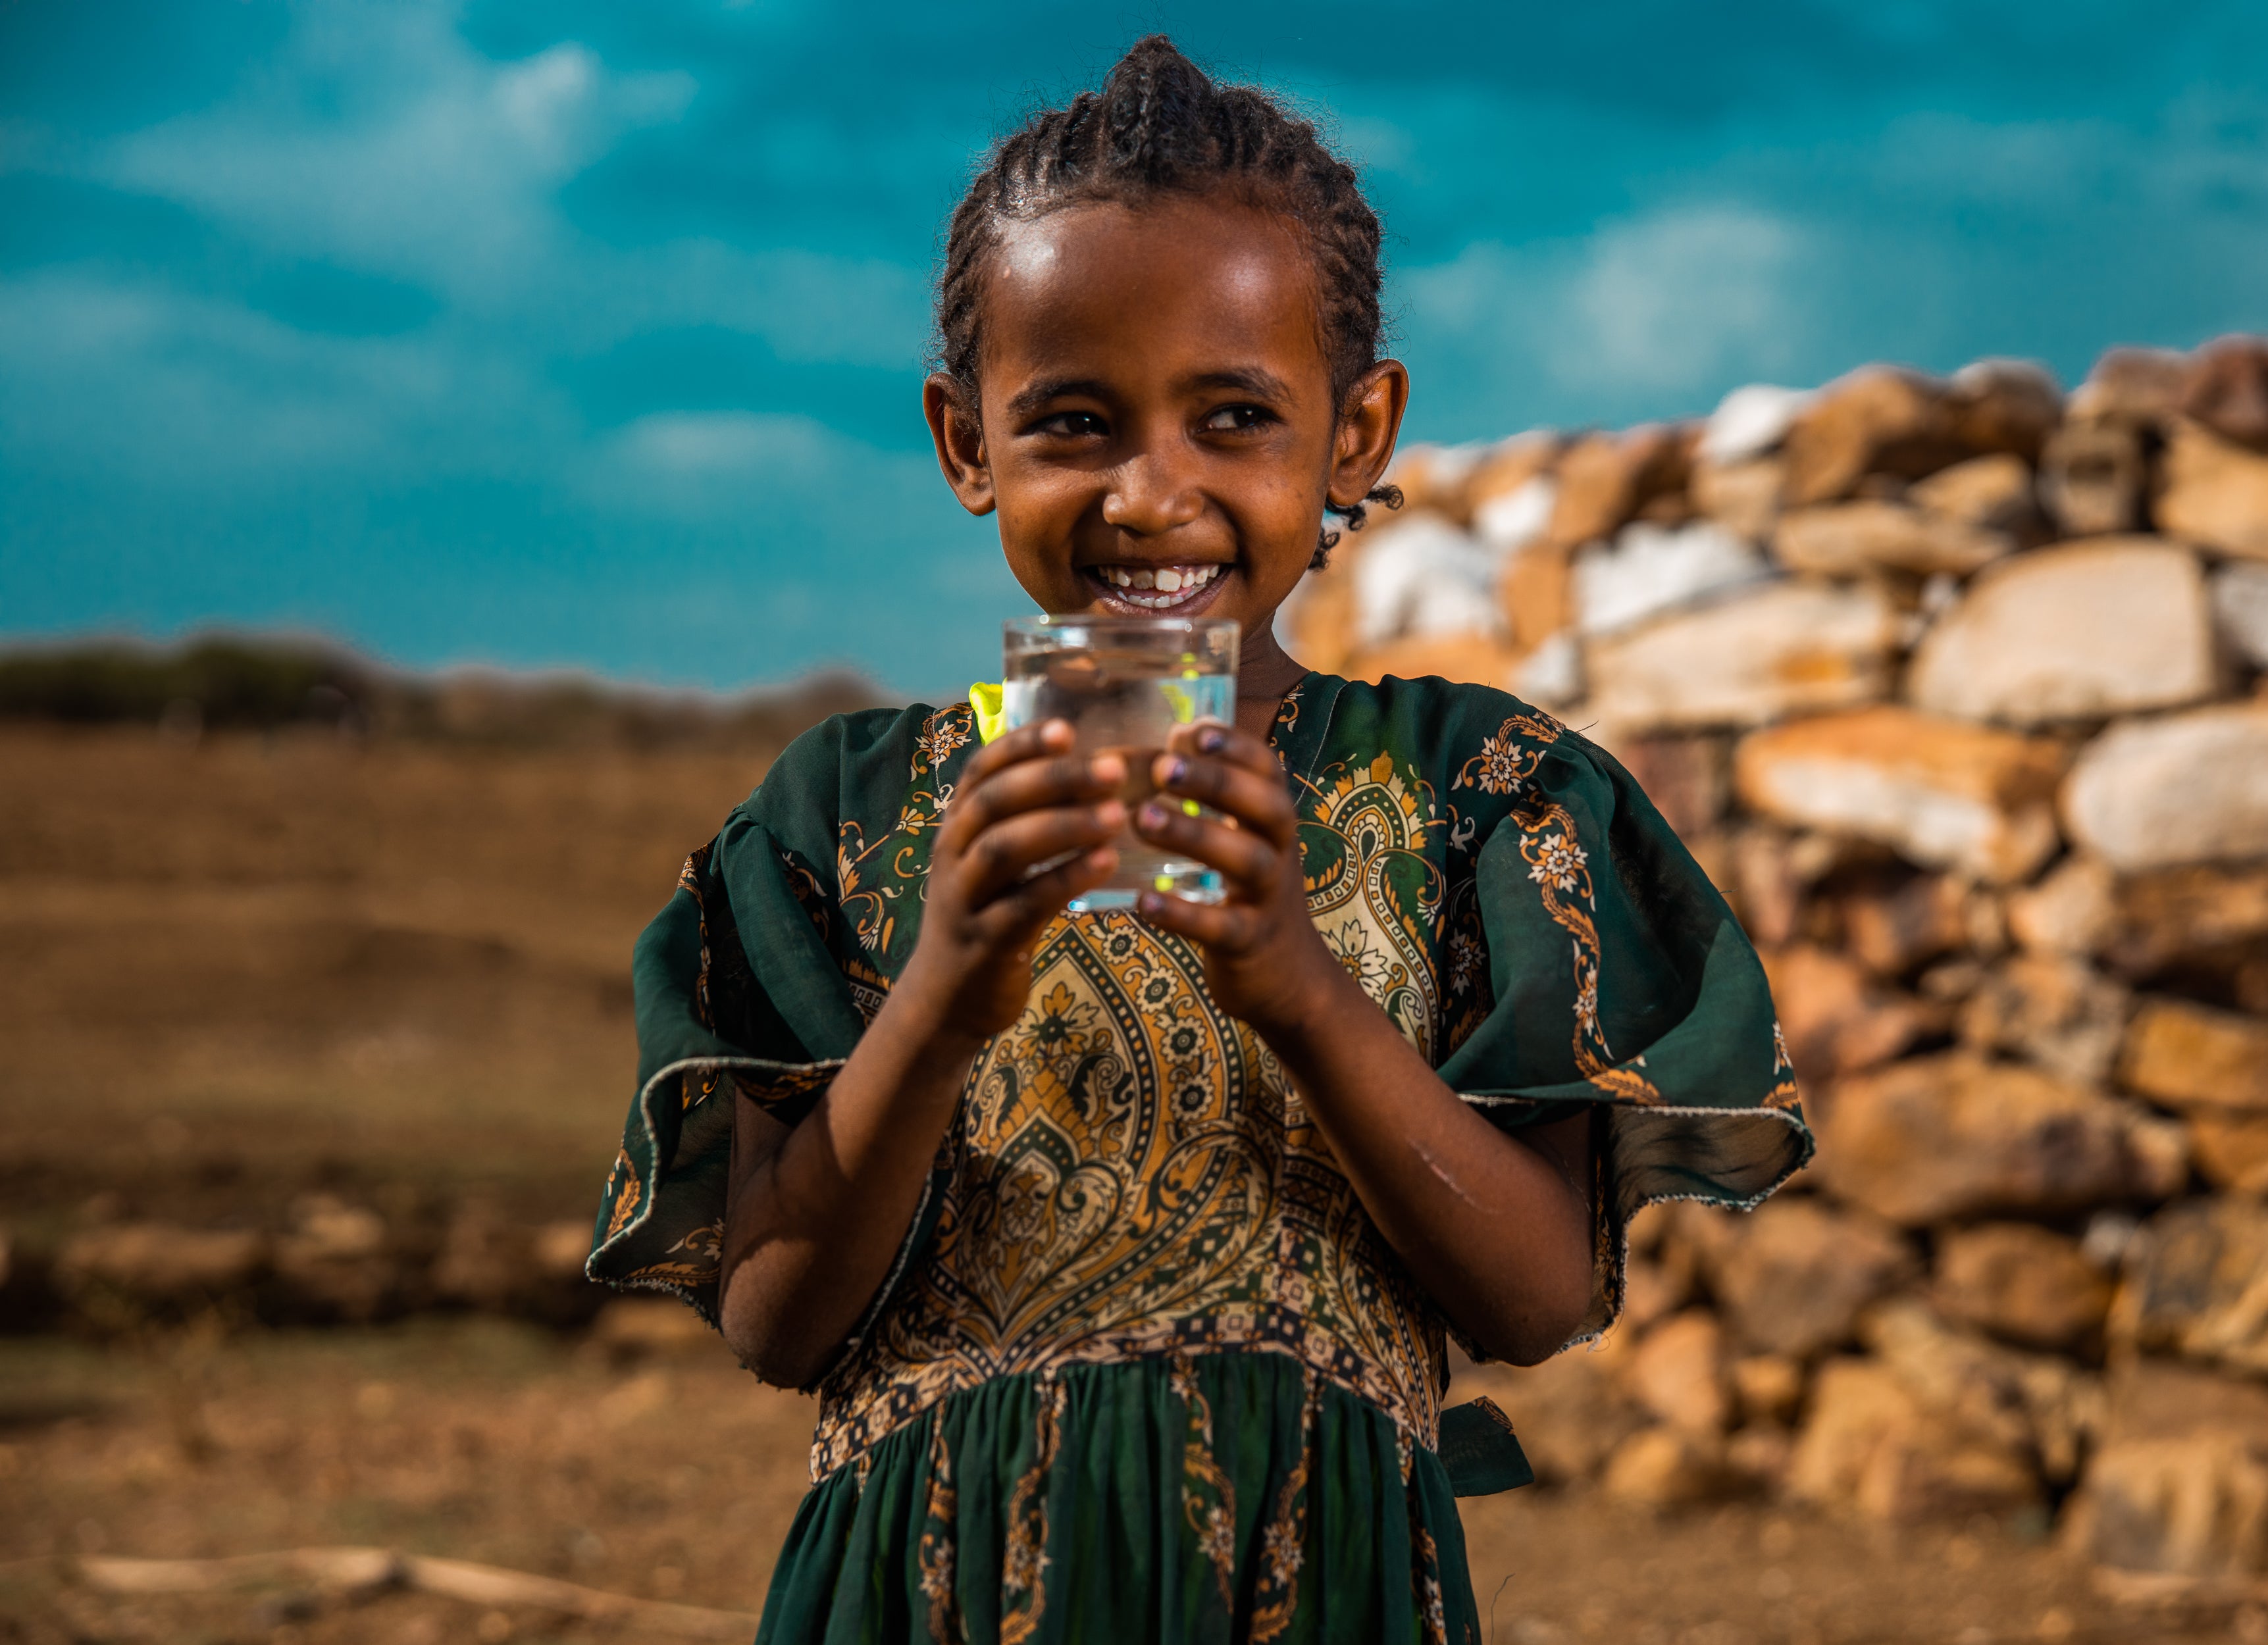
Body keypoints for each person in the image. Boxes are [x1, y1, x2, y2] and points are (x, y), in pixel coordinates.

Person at [586, 36, 1809, 1644]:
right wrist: (944, 995)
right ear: (967, 445)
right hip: (924, 1586)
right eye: (1073, 422)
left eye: (1234, 415)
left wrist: (1297, 981)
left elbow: (1536, 1296)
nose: (1152, 494)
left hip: (1310, 1579)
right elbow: (775, 1312)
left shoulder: (1479, 789)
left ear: (1357, 434)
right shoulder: (851, 812)